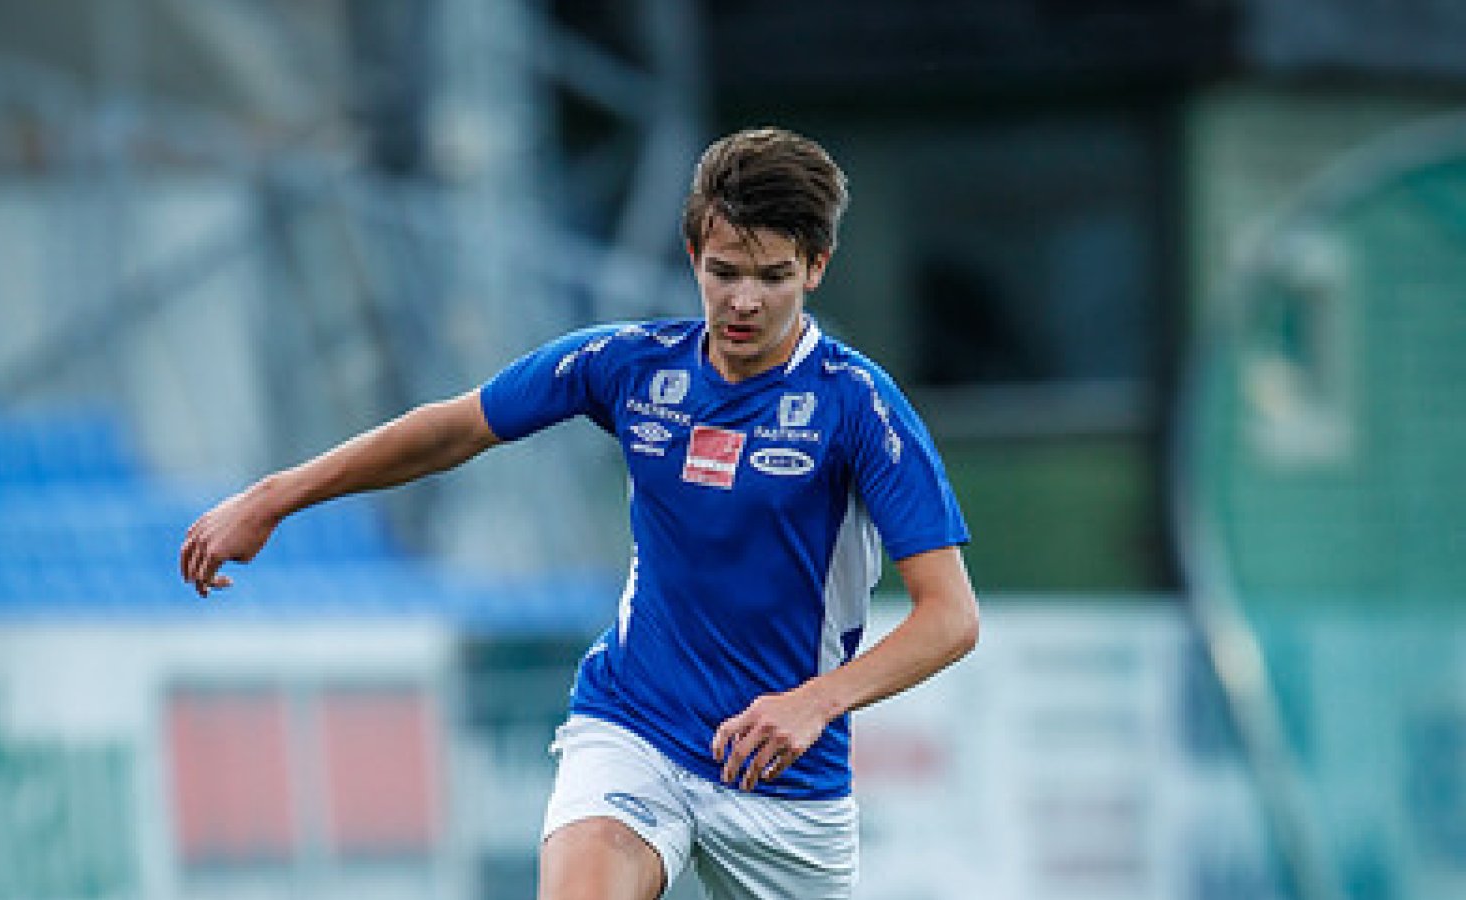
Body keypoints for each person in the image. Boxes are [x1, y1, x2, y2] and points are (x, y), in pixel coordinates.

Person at [180, 126, 979, 900]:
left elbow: (950, 618)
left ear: (816, 267)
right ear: (693, 256)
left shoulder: (859, 406)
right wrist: (273, 496)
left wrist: (815, 701)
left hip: (785, 779)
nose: (743, 300)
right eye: (724, 271)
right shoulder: (627, 365)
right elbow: (455, 429)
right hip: (636, 726)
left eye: (772, 276)